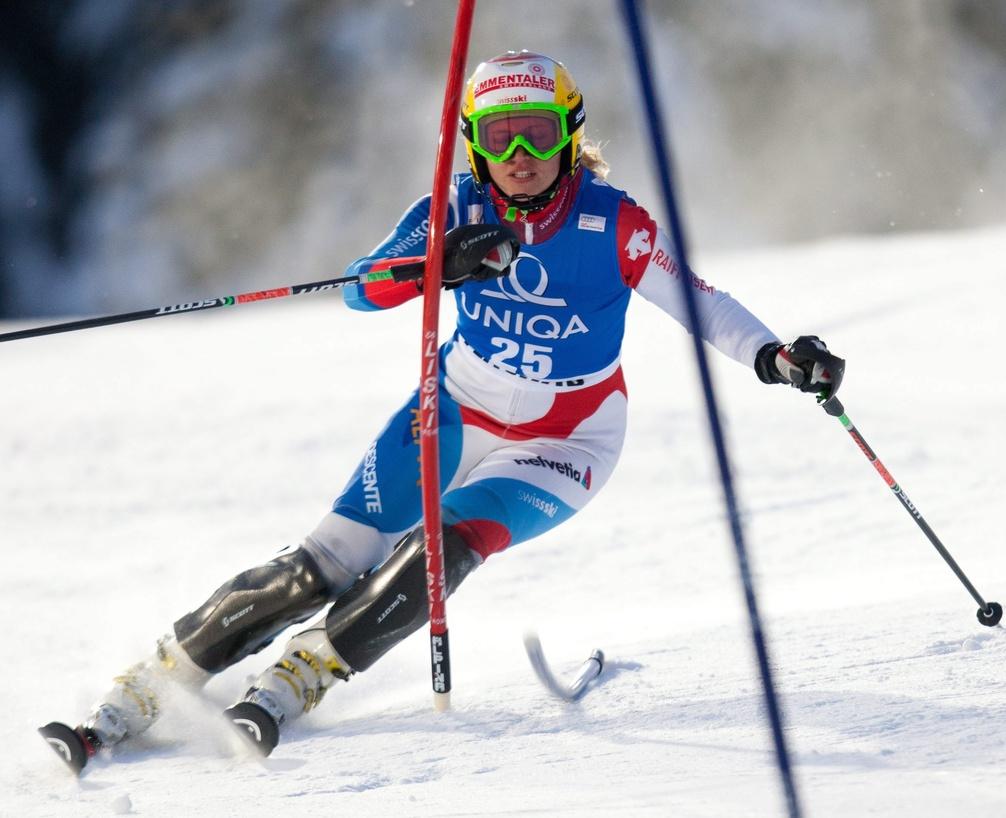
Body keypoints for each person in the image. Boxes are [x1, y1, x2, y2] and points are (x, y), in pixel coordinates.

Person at [41, 50, 844, 770]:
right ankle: (149, 684)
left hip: (569, 439)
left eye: (536, 135)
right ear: (474, 145)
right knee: (315, 566)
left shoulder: (614, 223)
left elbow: (699, 299)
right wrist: (437, 264)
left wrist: (775, 356)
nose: (520, 157)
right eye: (500, 139)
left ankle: (305, 672)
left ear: (570, 137)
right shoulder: (451, 207)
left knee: (443, 549)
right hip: (451, 410)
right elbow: (361, 289)